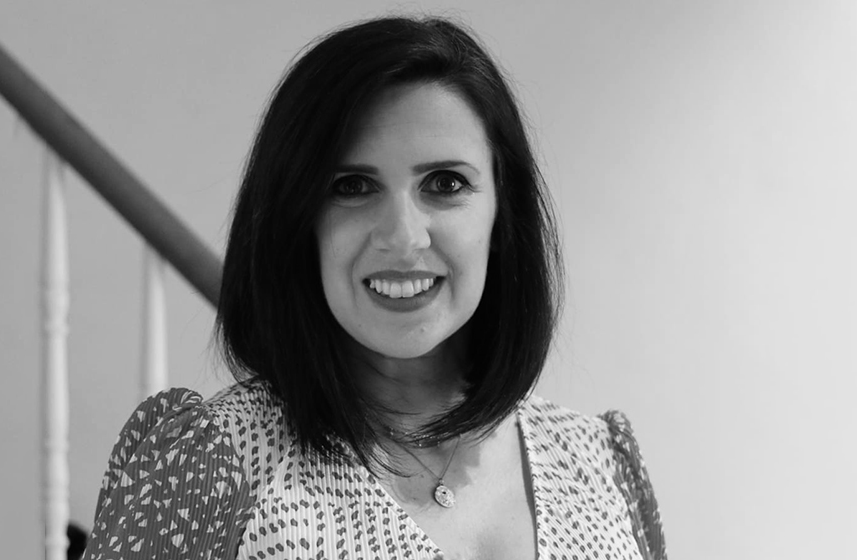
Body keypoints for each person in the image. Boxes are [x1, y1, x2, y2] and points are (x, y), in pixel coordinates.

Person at [83, 16, 665, 560]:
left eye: (444, 182)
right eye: (353, 186)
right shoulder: (218, 460)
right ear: (299, 219)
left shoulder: (597, 459)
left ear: (500, 213)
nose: (403, 237)